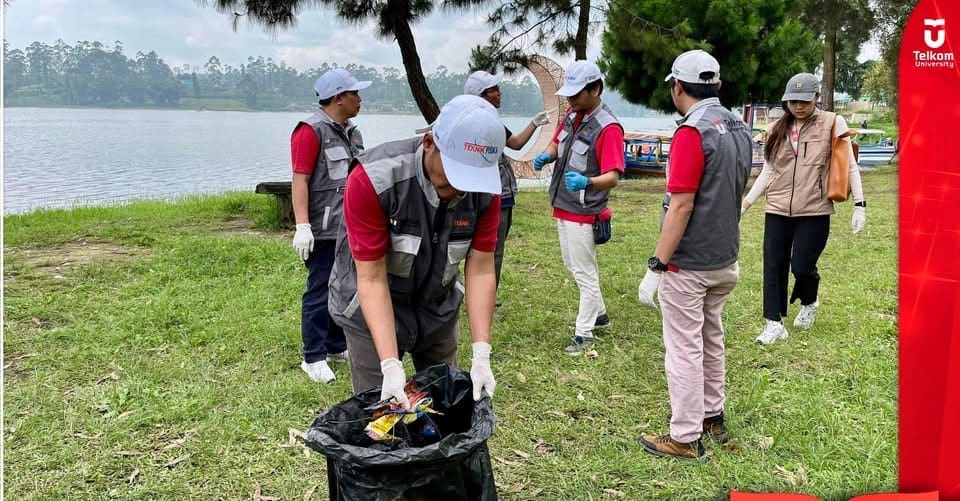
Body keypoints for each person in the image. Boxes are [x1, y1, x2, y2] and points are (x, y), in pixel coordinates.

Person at [328, 94, 503, 407]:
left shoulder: (486, 192)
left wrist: (481, 353)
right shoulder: (374, 179)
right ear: (428, 143)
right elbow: (371, 279)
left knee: (443, 405)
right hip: (371, 306)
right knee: (380, 411)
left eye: (471, 178)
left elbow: (481, 268)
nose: (460, 189)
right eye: (454, 174)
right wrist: (390, 365)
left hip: (437, 308)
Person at [635, 49, 753, 461]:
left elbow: (681, 205)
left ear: (677, 87)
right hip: (726, 259)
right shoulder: (739, 126)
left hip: (691, 263)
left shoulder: (691, 133)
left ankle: (684, 436)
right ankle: (711, 416)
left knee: (684, 347)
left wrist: (657, 265)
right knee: (711, 337)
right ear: (716, 86)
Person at [741, 73, 867, 345]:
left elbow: (850, 166)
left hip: (815, 209)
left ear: (816, 99)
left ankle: (809, 300)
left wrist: (860, 205)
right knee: (773, 266)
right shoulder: (776, 128)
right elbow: (769, 171)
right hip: (777, 207)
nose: (798, 106)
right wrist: (747, 203)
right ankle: (774, 323)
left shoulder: (833, 122)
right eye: (793, 101)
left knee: (802, 265)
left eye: (804, 101)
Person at [531, 60, 624, 355]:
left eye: (575, 94)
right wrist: (546, 156)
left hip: (584, 211)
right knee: (575, 267)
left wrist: (587, 182)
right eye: (568, 94)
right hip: (562, 204)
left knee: (585, 274)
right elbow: (557, 143)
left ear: (595, 89)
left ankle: (584, 336)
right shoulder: (573, 114)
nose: (569, 100)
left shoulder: (608, 128)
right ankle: (600, 316)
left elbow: (613, 177)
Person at [291, 68, 371, 383]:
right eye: (355, 94)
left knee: (344, 287)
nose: (360, 100)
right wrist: (302, 225)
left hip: (348, 226)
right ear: (338, 97)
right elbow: (300, 179)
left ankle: (337, 345)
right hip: (322, 229)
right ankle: (313, 356)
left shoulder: (352, 132)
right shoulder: (309, 131)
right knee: (320, 290)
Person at [463, 71, 552, 304]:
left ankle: (484, 292)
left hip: (502, 193)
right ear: (482, 96)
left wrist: (534, 123)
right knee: (491, 248)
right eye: (494, 90)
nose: (499, 93)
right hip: (491, 195)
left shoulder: (490, 122)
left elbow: (516, 143)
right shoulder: (476, 124)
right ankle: (483, 295)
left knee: (490, 247)